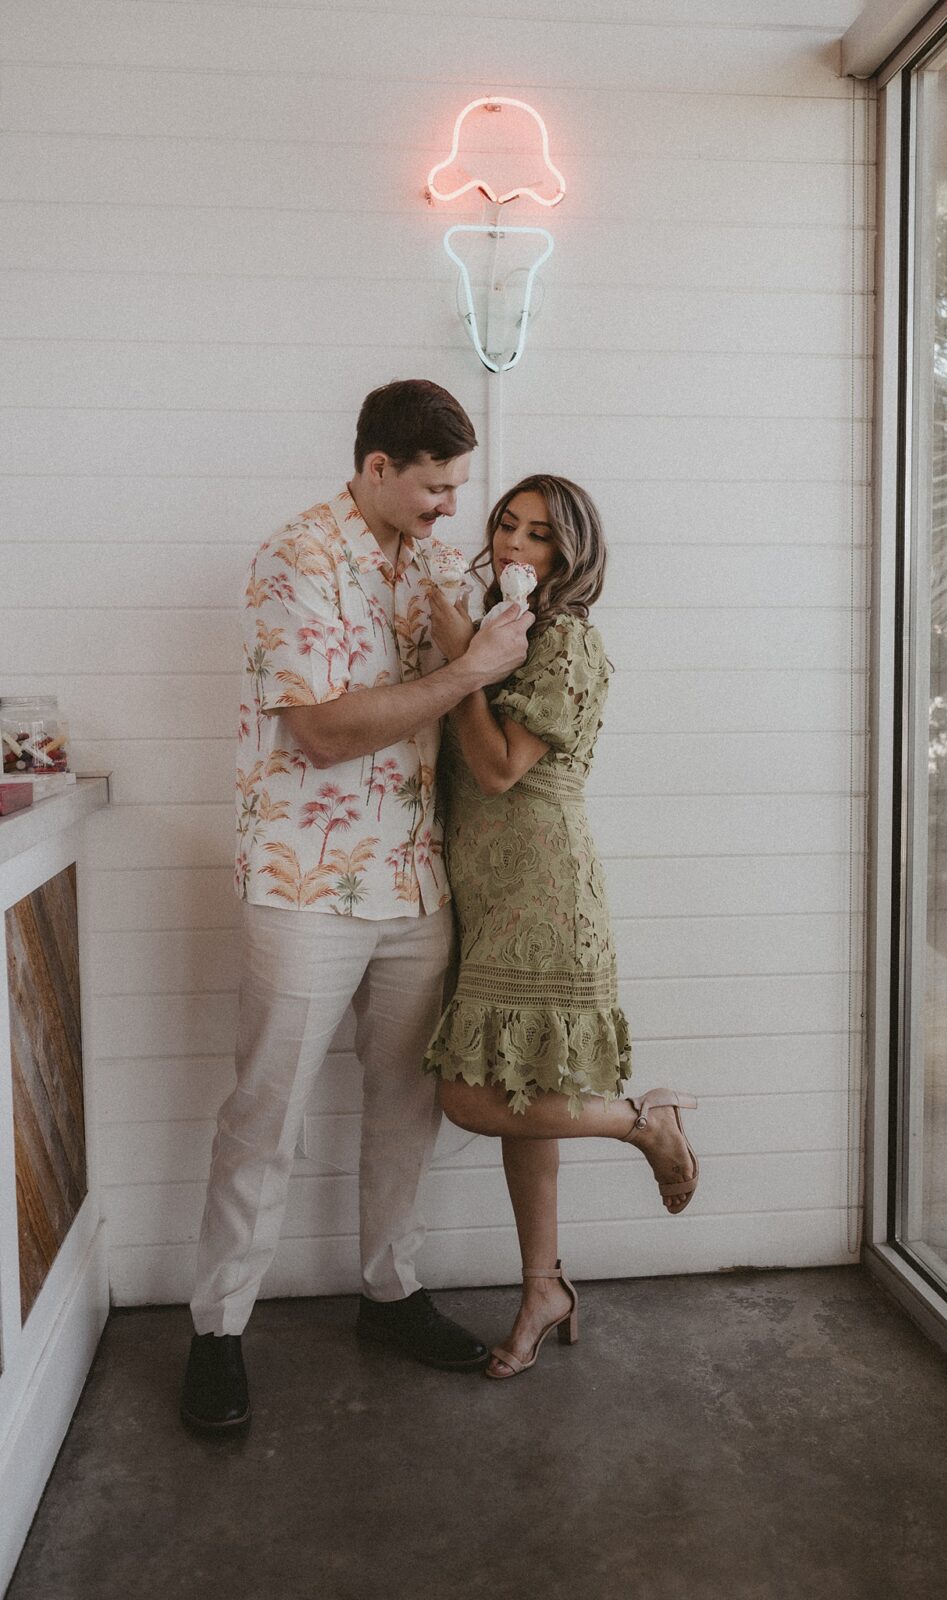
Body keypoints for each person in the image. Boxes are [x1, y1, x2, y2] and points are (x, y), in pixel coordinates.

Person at [180, 380, 533, 1431]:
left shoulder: (428, 557)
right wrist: (467, 665)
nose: (448, 509)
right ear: (377, 467)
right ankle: (216, 1330)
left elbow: (473, 689)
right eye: (434, 487)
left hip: (416, 878)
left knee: (404, 1108)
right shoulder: (296, 557)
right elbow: (323, 732)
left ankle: (388, 1290)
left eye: (458, 487)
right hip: (304, 884)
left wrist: (495, 635)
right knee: (264, 1112)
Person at [423, 474, 699, 1380]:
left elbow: (502, 769)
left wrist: (465, 665)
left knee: (471, 1097)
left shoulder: (569, 642)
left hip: (544, 889)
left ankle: (641, 1123)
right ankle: (544, 1287)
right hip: (481, 886)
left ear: (568, 553)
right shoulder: (507, 628)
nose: (513, 546)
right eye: (505, 526)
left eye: (537, 535)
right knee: (520, 1095)